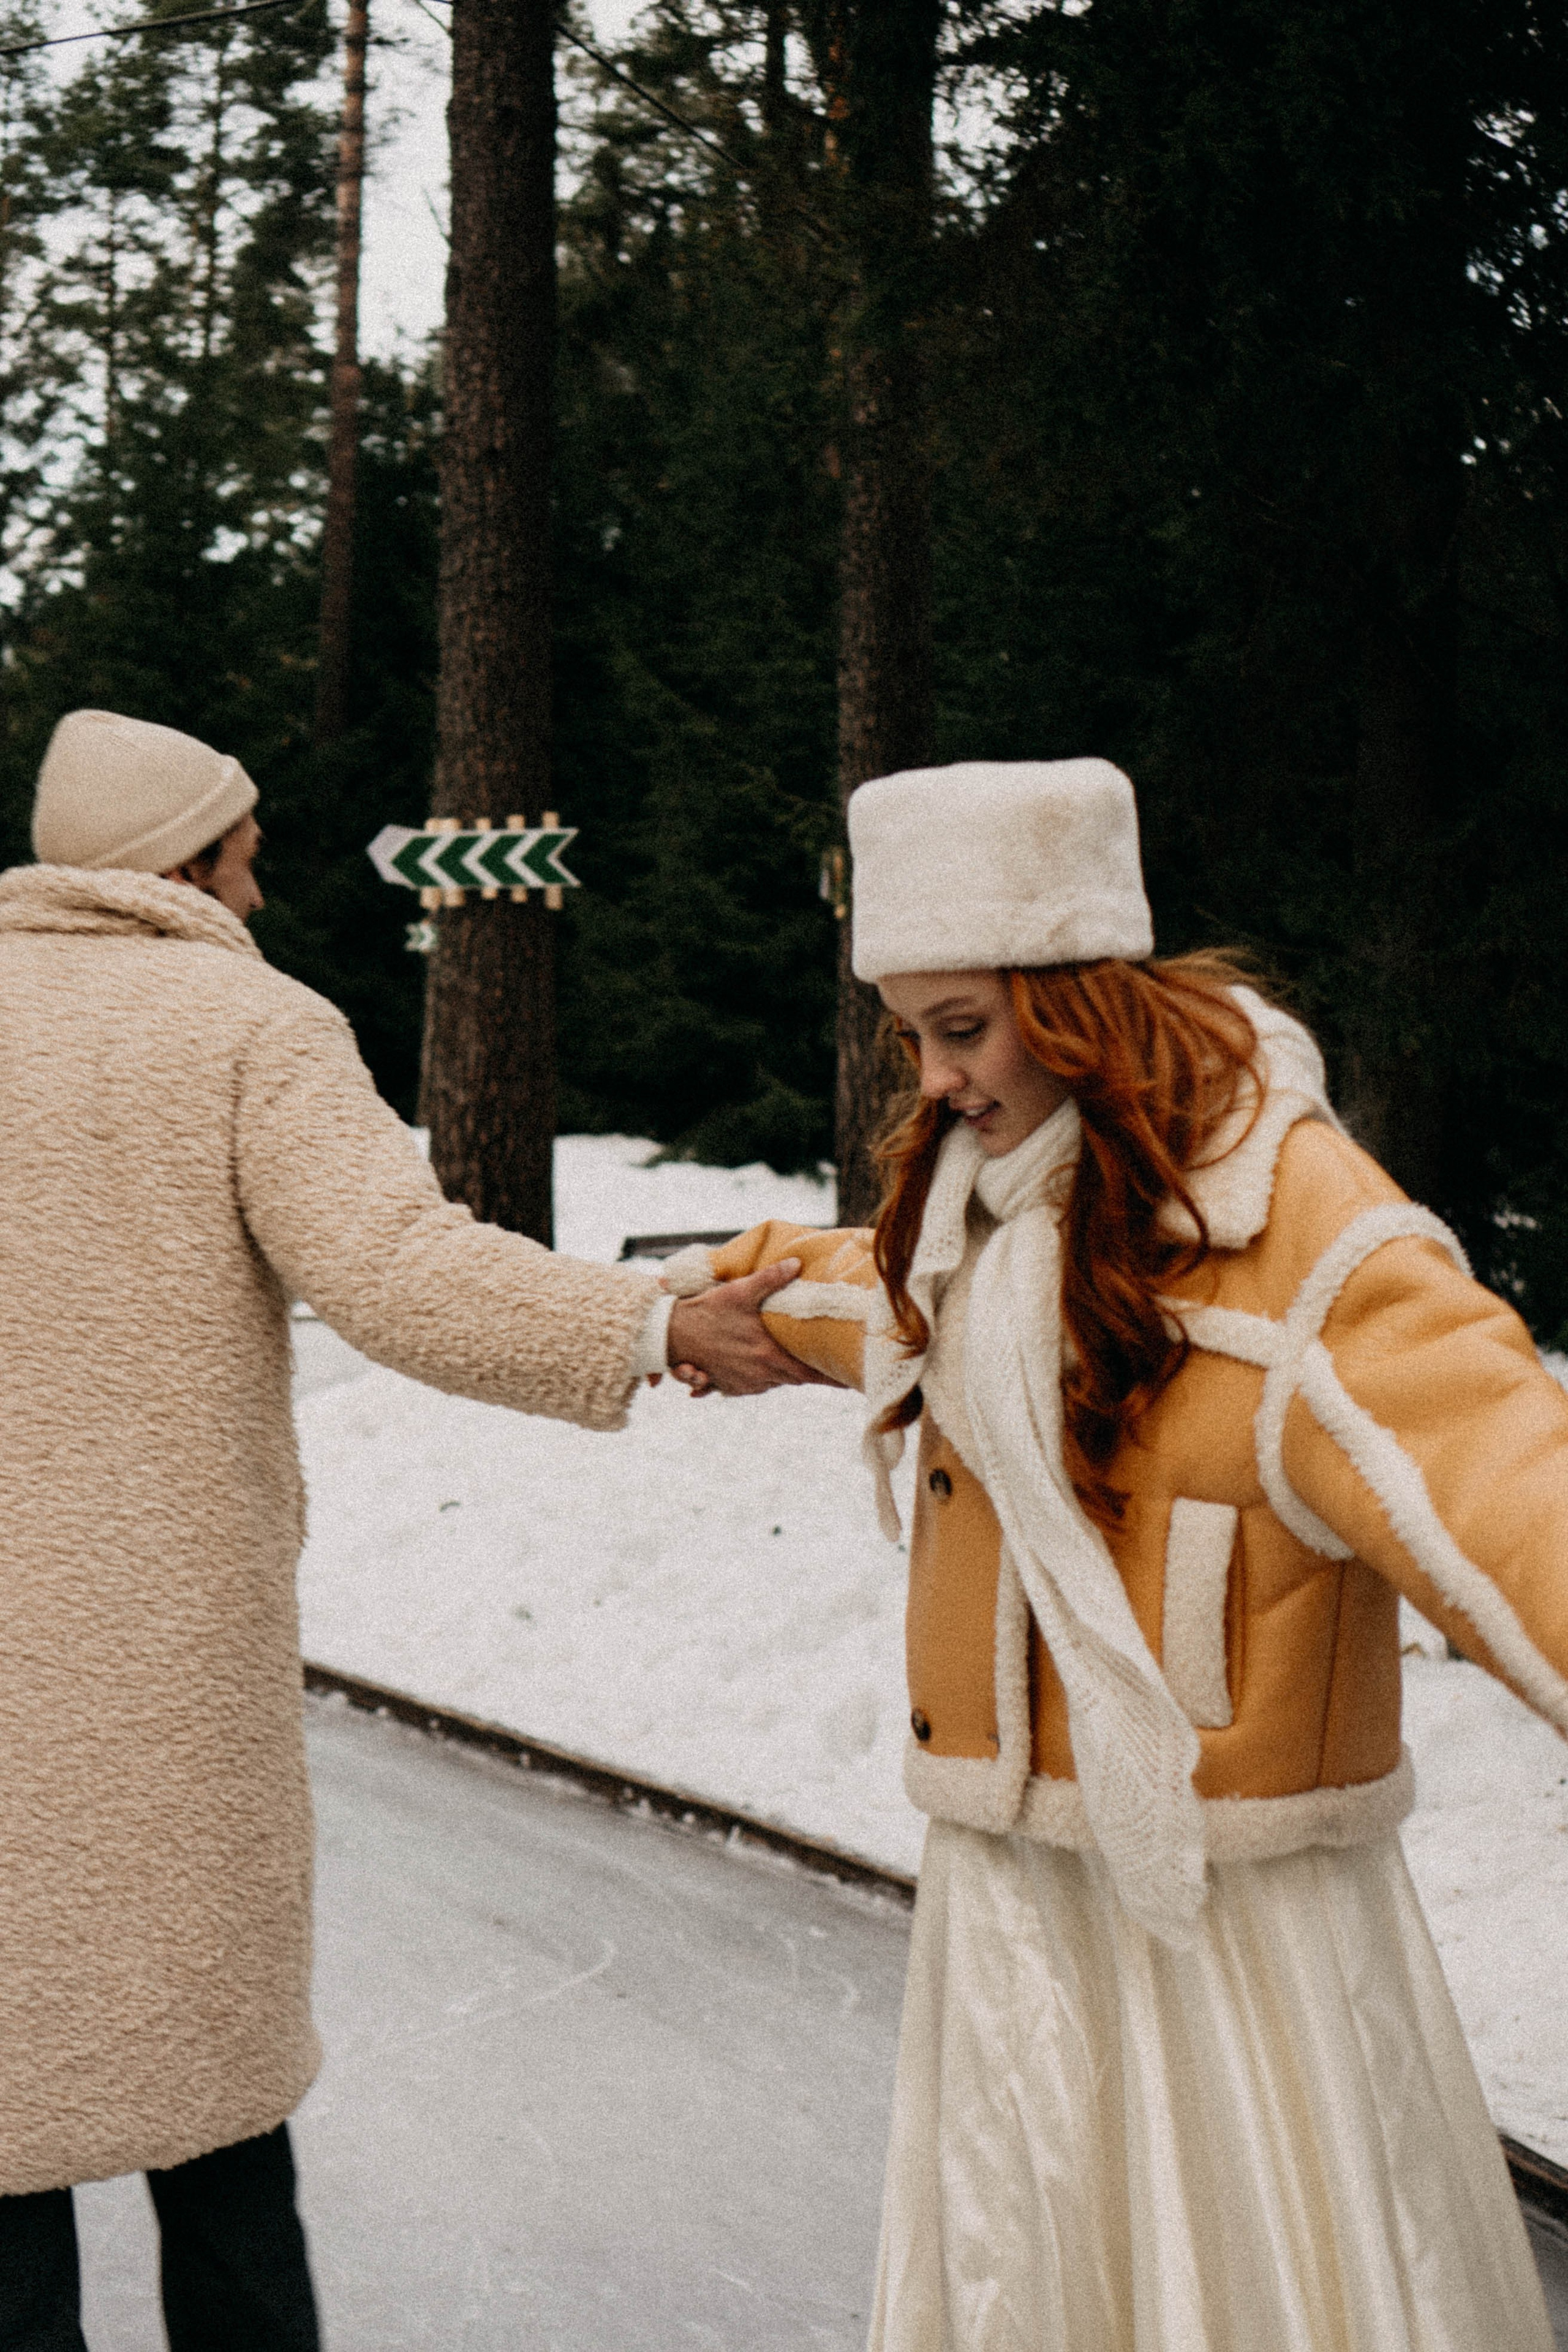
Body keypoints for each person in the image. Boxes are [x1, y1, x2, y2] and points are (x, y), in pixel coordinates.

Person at [665, 757, 1568, 2350]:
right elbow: (895, 1317)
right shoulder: (982, 1208)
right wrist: (725, 1301)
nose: (934, 1080)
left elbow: (1511, 1490)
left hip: (1232, 1926)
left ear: (1077, 1003)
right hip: (1013, 1886)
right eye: (913, 1035)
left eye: (966, 1029)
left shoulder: (1298, 1228)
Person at [0, 708, 819, 2351]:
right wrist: (655, 1328)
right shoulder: (245, 1024)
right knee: (210, 2116)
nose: (260, 887)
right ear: (180, 863)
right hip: (158, 1684)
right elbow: (407, 1276)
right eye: (245, 855)